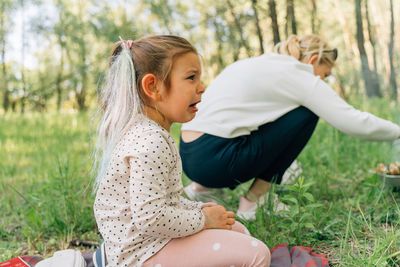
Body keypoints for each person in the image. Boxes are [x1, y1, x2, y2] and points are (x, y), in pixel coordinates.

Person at [93, 35, 271, 267]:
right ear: (153, 87)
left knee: (237, 230)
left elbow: (166, 202)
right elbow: (151, 218)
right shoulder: (150, 142)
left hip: (148, 240)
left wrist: (199, 208)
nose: (202, 87)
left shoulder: (148, 131)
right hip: (140, 254)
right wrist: (203, 219)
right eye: (191, 78)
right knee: (258, 254)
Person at [180, 34, 400, 221]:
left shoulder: (256, 63)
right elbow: (353, 121)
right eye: (324, 75)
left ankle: (201, 190)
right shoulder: (299, 75)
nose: (323, 81)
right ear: (313, 60)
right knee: (308, 112)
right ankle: (255, 203)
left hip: (190, 157)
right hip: (217, 162)